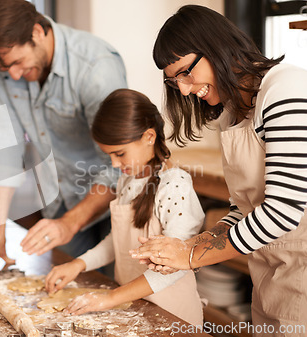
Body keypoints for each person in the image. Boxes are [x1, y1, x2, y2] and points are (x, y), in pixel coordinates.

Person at [130, 5, 307, 336]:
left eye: (185, 73)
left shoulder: (286, 89)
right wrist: (188, 245)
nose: (183, 89)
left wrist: (191, 255)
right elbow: (243, 209)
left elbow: (283, 211)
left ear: (215, 47)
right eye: (173, 81)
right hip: (268, 272)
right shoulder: (230, 114)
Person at [0, 0, 127, 265]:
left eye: (18, 62)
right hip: (61, 200)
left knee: (116, 294)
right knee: (68, 294)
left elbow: (119, 163)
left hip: (115, 199)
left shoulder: (95, 67)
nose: (14, 76)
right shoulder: (6, 68)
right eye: (5, 69)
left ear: (37, 33)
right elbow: (7, 151)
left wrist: (69, 224)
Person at [45, 89, 205, 326]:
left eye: (120, 154)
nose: (114, 164)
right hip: (135, 309)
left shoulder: (175, 185)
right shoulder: (127, 181)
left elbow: (176, 265)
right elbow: (119, 243)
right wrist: (77, 264)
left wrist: (110, 298)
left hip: (172, 317)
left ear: (149, 137)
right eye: (108, 155)